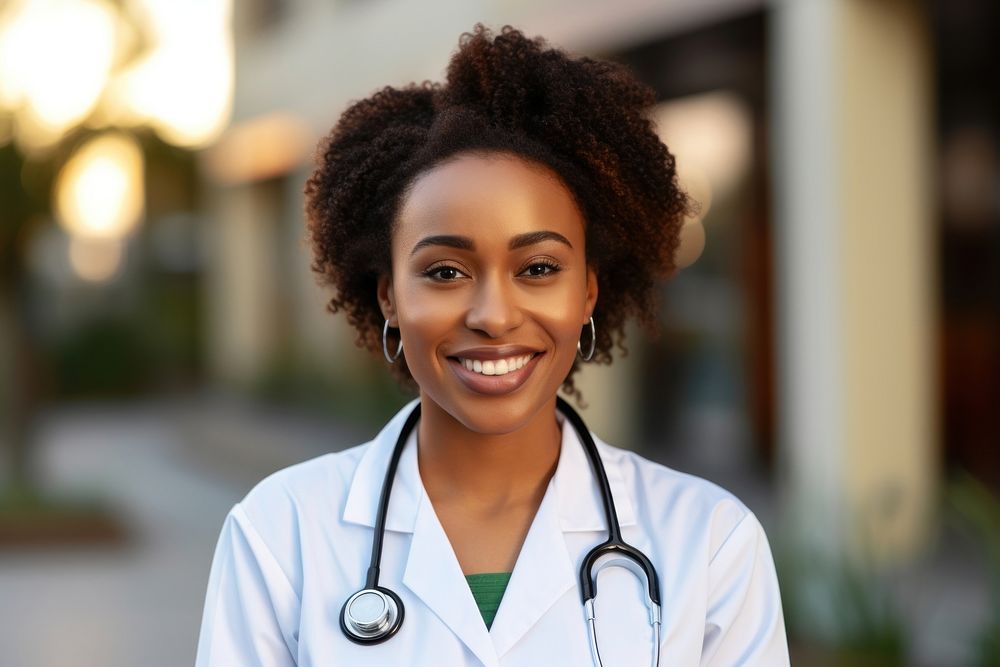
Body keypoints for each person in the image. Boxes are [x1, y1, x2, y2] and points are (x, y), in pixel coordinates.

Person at [195, 24, 789, 666]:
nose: (493, 316)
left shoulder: (709, 544)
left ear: (588, 292)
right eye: (445, 271)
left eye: (538, 268)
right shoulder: (280, 538)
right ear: (388, 296)